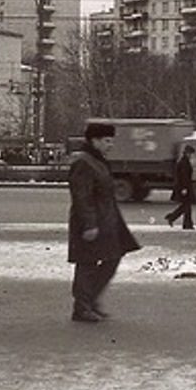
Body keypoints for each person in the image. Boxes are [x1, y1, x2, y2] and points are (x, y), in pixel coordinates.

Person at [68, 121, 141, 322]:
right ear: (95, 141)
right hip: (92, 222)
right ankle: (82, 307)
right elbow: (82, 196)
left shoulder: (96, 160)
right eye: (107, 141)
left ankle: (89, 300)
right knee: (87, 263)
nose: (111, 145)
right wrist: (89, 225)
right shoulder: (84, 162)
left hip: (106, 220)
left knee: (113, 256)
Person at [165, 144, 196, 230]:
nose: (191, 155)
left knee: (186, 206)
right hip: (184, 187)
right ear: (187, 153)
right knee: (186, 206)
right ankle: (186, 224)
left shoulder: (183, 162)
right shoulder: (184, 163)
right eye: (190, 154)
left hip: (184, 187)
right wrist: (184, 188)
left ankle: (176, 219)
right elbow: (184, 177)